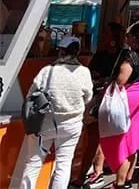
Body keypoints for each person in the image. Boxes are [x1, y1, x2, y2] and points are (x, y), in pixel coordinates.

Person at [11, 36, 93, 189]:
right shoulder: (83, 72)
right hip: (71, 126)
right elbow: (88, 97)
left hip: (44, 124)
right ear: (77, 52)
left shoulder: (47, 71)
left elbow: (31, 95)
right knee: (63, 164)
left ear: (60, 51)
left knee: (33, 163)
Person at [98, 22, 139, 189]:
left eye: (129, 35)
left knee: (122, 140)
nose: (126, 38)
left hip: (128, 98)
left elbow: (122, 79)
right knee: (133, 139)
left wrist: (108, 81)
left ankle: (119, 182)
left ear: (135, 39)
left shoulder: (131, 56)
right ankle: (127, 179)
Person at [79, 22, 125, 188]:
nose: (103, 36)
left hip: (112, 101)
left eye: (106, 33)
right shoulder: (100, 55)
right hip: (98, 98)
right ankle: (87, 172)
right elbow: (90, 72)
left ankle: (97, 171)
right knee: (93, 135)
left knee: (102, 137)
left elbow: (122, 78)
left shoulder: (123, 55)